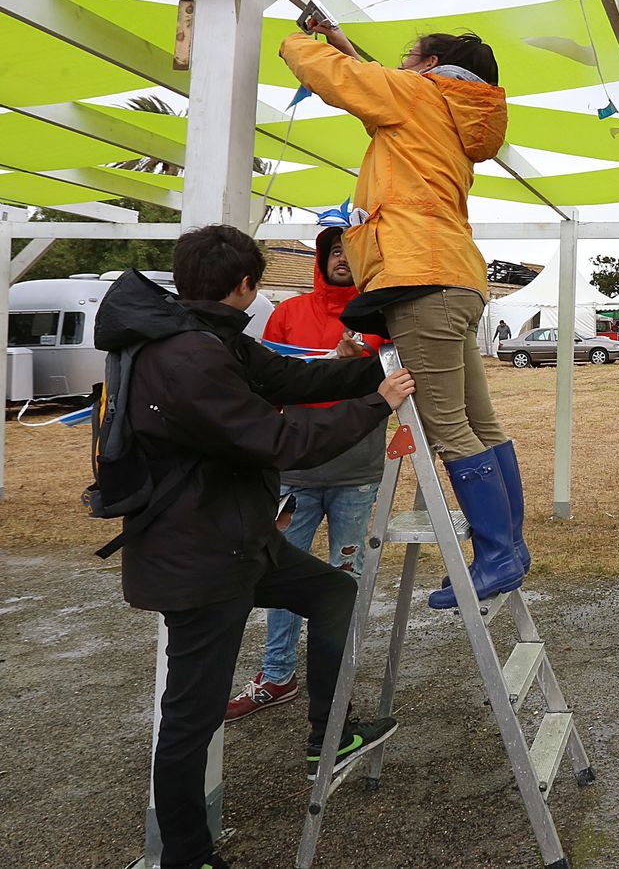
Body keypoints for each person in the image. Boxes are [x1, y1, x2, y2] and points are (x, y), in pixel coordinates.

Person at [96, 225, 414, 869]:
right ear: (246, 285)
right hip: (199, 559)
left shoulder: (205, 338)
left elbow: (290, 379)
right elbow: (278, 440)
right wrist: (376, 405)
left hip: (236, 542)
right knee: (192, 716)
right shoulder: (188, 356)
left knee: (333, 592)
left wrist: (371, 366)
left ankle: (329, 733)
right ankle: (187, 855)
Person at [281, 22, 529, 611]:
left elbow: (341, 80)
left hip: (418, 278)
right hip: (455, 276)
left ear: (430, 64)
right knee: (481, 422)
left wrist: (297, 42)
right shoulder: (448, 106)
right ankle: (509, 547)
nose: (401, 66)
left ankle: (497, 554)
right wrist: (349, 47)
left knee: (447, 427)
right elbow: (380, 88)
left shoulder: (416, 94)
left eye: (409, 59)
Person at [226, 227, 387, 723]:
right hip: (293, 472)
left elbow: (398, 380)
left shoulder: (378, 314)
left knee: (347, 576)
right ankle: (277, 674)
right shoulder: (288, 313)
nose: (341, 259)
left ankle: (339, 686)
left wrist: (362, 364)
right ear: (321, 258)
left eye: (350, 252)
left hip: (357, 471)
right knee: (277, 575)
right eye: (333, 251)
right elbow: (264, 385)